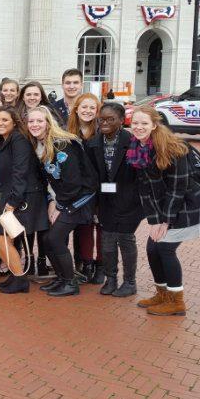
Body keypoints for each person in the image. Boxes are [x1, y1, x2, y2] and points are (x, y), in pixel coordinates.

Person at [128, 106, 200, 316]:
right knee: (152, 248)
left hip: (188, 206)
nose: (138, 127)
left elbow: (178, 189)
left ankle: (176, 301)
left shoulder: (173, 147)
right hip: (165, 207)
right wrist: (154, 221)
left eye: (144, 123)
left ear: (155, 125)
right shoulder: (137, 148)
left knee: (165, 249)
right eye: (135, 123)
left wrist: (164, 222)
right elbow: (145, 189)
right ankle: (162, 293)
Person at [27, 106, 97, 297]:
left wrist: (59, 205)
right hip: (64, 199)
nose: (35, 125)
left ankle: (70, 283)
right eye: (31, 121)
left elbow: (73, 182)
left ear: (48, 122)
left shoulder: (63, 144)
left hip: (80, 200)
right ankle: (62, 278)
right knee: (47, 239)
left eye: (39, 121)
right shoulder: (40, 144)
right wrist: (52, 201)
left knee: (54, 238)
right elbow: (50, 180)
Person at [0, 106, 48, 292]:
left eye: (5, 120)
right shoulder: (4, 140)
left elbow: (20, 172)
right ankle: (15, 274)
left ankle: (20, 280)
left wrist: (13, 202)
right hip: (4, 193)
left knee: (1, 238)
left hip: (18, 196)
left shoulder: (18, 140)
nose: (0, 123)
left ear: (14, 122)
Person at [85, 103, 143, 297]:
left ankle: (130, 282)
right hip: (105, 201)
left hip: (129, 201)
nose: (105, 123)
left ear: (120, 121)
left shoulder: (133, 142)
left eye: (111, 119)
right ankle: (111, 279)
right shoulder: (93, 144)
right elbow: (91, 176)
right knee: (107, 242)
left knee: (126, 241)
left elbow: (141, 174)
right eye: (102, 119)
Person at [68, 93, 103, 283]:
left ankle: (101, 266)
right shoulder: (69, 131)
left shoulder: (103, 131)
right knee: (84, 226)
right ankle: (86, 264)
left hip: (102, 188)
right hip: (80, 190)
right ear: (76, 109)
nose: (88, 111)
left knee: (102, 226)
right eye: (84, 107)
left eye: (92, 108)